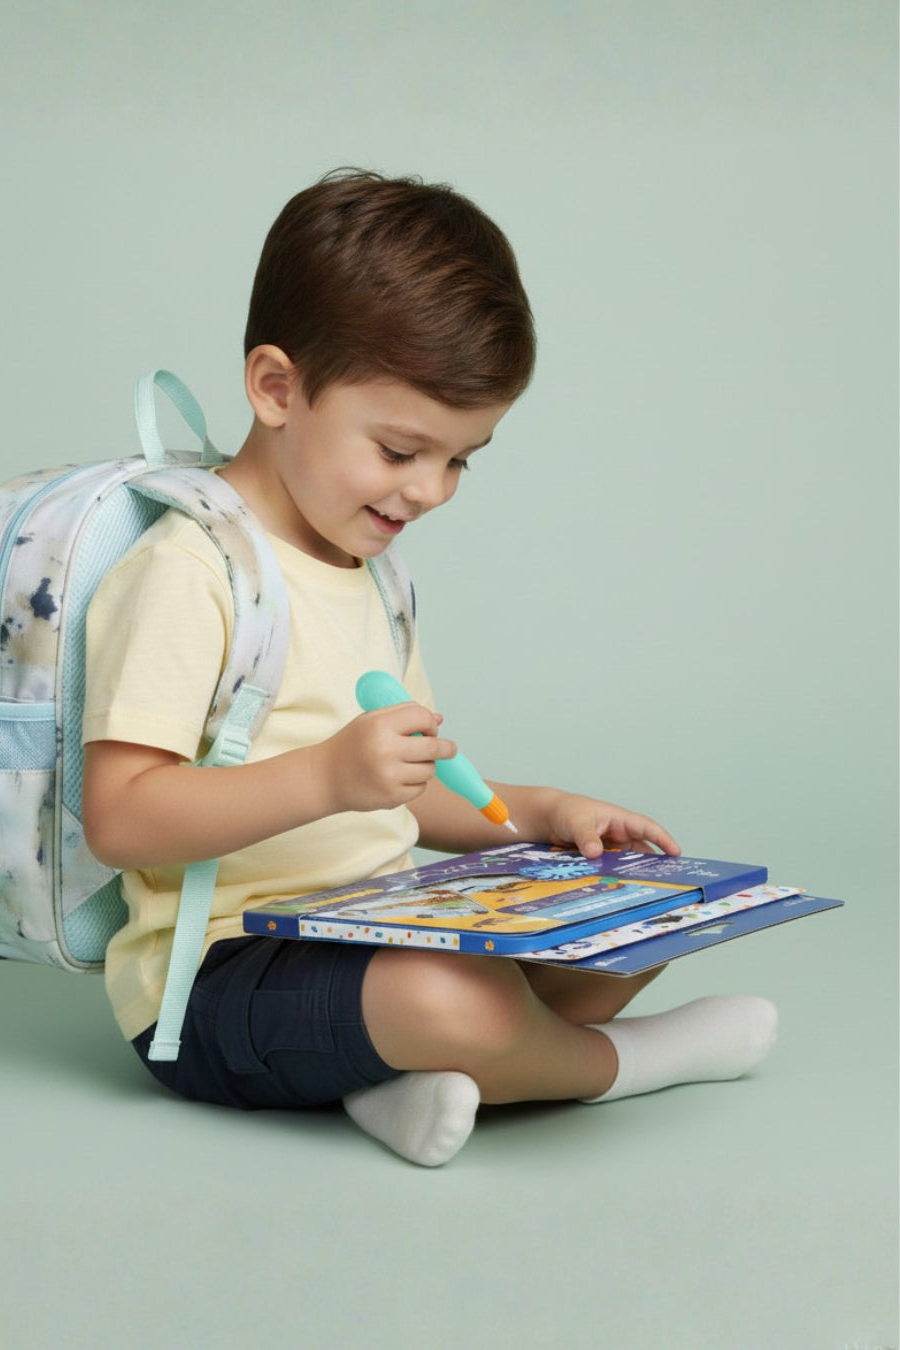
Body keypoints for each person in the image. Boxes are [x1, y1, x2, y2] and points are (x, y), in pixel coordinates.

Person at [81, 169, 777, 1166]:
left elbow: (402, 796)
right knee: (448, 997)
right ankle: (619, 1064)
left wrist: (539, 817)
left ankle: (402, 1085)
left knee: (636, 923)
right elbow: (122, 817)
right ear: (278, 388)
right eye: (402, 449)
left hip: (371, 933)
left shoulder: (370, 572)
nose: (433, 490)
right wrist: (325, 776)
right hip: (218, 978)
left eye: (461, 458)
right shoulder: (191, 573)